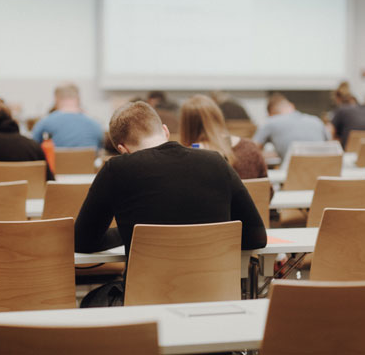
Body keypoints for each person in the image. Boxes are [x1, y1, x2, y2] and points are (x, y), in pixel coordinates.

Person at [74, 101, 267, 306]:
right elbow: (256, 237)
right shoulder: (217, 161)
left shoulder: (116, 169)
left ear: (122, 149)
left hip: (145, 300)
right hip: (215, 298)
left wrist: (128, 232)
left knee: (90, 301)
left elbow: (82, 241)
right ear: (165, 131)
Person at [179, 94, 268, 180]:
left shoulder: (189, 158)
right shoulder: (249, 147)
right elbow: (267, 190)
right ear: (218, 116)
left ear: (185, 126)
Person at [253, 92, 329, 160]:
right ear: (292, 106)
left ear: (271, 113)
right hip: (322, 171)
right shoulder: (316, 121)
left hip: (291, 172)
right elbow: (331, 147)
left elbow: (251, 151)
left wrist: (268, 154)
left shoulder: (270, 122)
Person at [31, 84, 103, 148]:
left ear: (56, 99)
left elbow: (35, 148)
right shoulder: (96, 125)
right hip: (88, 163)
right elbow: (99, 150)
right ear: (78, 99)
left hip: (57, 163)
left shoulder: (44, 123)